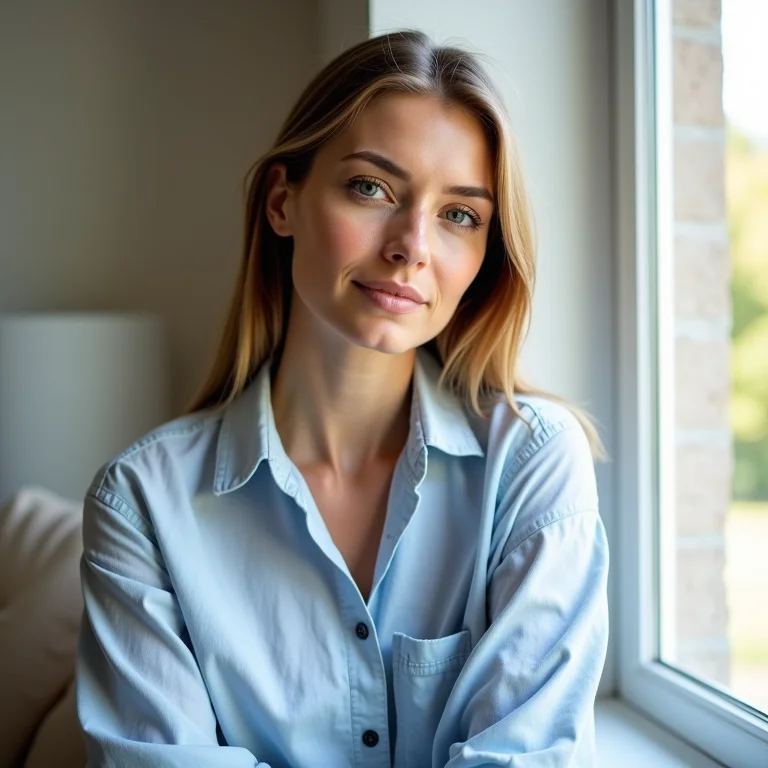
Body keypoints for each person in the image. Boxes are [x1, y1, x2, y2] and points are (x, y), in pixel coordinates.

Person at [76, 29, 609, 768]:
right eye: (372, 188)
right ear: (282, 202)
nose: (411, 245)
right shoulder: (140, 503)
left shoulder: (533, 464)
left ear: (486, 254)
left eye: (459, 214)